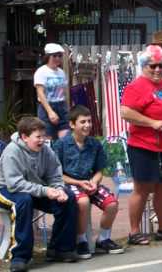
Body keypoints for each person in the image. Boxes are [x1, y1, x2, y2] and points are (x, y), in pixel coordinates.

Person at [0, 117, 77, 272]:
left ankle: (59, 249)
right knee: (23, 201)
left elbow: (54, 175)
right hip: (5, 189)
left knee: (68, 198)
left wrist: (58, 190)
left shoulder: (45, 150)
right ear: (24, 137)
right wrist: (45, 191)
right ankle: (20, 257)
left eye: (43, 136)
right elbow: (15, 184)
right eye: (38, 137)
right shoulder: (12, 151)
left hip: (34, 189)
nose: (42, 140)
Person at [120, 45, 162, 245]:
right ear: (143, 66)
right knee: (142, 188)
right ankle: (134, 232)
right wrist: (152, 123)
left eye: (161, 65)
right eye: (152, 66)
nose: (157, 69)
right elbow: (126, 112)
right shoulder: (136, 87)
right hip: (145, 145)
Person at [53, 105, 124, 259]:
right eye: (83, 122)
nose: (87, 125)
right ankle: (81, 240)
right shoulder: (61, 145)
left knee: (112, 203)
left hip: (90, 183)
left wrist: (93, 182)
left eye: (90, 121)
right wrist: (79, 183)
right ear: (72, 124)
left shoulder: (95, 144)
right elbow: (57, 175)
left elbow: (100, 170)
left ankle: (103, 239)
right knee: (83, 202)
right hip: (70, 184)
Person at [34, 43, 69, 140]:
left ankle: (61, 155)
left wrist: (66, 107)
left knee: (65, 137)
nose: (58, 58)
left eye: (60, 56)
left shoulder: (61, 72)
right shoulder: (41, 71)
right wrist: (50, 111)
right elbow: (40, 93)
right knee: (47, 137)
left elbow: (63, 92)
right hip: (46, 106)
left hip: (61, 105)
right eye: (55, 55)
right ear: (48, 56)